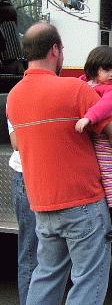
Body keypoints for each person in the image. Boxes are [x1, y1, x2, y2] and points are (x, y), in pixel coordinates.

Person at [7, 22, 112, 305]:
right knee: (88, 280)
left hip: (43, 204)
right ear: (55, 50)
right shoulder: (74, 89)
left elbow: (19, 144)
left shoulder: (14, 96)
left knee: (46, 275)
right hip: (83, 203)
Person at [75, 46, 112, 241]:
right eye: (106, 69)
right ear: (93, 69)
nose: (111, 74)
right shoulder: (86, 83)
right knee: (97, 174)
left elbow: (106, 105)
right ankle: (111, 212)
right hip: (93, 136)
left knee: (107, 173)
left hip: (102, 138)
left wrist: (88, 119)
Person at [7, 121, 38, 305]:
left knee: (53, 257)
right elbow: (18, 142)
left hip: (56, 176)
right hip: (29, 176)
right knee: (30, 252)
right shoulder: (17, 96)